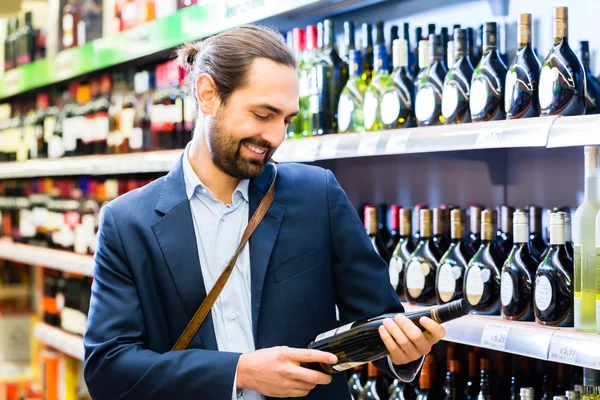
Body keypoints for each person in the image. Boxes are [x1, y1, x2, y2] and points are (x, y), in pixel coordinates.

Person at [83, 24, 445, 400]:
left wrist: (403, 352)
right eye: (262, 114)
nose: (276, 137)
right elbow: (108, 367)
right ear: (207, 94)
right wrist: (239, 372)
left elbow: (377, 319)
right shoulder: (127, 223)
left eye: (286, 120)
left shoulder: (317, 195)